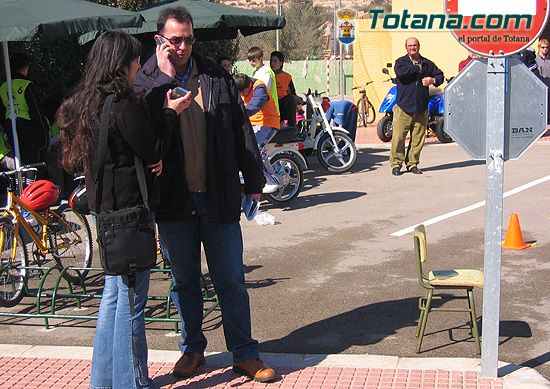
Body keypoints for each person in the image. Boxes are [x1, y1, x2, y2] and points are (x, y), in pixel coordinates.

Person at [133, 6, 276, 383]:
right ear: (159, 40)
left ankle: (244, 353)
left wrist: (255, 181)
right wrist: (163, 80)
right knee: (185, 282)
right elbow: (141, 131)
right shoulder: (144, 80)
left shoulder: (213, 74)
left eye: (188, 39)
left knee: (231, 279)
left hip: (217, 196)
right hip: (173, 201)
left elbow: (241, 129)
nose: (183, 47)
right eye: (175, 39)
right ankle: (193, 349)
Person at [56, 30, 190, 389]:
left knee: (113, 300)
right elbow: (154, 147)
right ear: (121, 64)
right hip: (130, 212)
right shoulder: (122, 105)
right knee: (131, 304)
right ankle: (132, 382)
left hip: (107, 212)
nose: (137, 67)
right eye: (134, 61)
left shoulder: (87, 102)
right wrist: (169, 112)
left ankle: (103, 381)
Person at [390, 37, 443, 176]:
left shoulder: (427, 63)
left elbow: (440, 75)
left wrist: (433, 80)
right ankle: (396, 164)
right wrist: (417, 68)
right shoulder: (401, 62)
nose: (413, 48)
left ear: (419, 46)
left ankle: (412, 164)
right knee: (398, 138)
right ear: (406, 48)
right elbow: (402, 73)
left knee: (418, 138)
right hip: (403, 107)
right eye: (410, 46)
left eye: (415, 45)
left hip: (421, 107)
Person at [234, 73, 281, 194]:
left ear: (249, 85)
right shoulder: (240, 87)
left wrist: (241, 113)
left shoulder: (259, 87)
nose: (242, 95)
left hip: (267, 124)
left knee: (255, 150)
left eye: (244, 92)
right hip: (251, 125)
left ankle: (273, 180)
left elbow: (257, 104)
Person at [0, 52, 49, 165]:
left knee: (22, 165)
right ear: (25, 68)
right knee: (35, 165)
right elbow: (36, 111)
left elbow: (2, 113)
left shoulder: (2, 87)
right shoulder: (27, 85)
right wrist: (44, 133)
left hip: (11, 128)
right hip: (30, 129)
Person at [247, 46, 279, 114]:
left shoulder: (266, 72)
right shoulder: (256, 72)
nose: (251, 63)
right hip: (262, 111)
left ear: (260, 58)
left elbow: (263, 91)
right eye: (249, 60)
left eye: (254, 60)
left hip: (270, 111)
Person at [270, 51, 296, 127]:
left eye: (275, 61)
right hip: (271, 104)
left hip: (282, 104)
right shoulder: (268, 75)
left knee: (291, 99)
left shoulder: (287, 77)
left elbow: (293, 93)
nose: (272, 63)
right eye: (271, 61)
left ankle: (292, 128)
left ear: (281, 63)